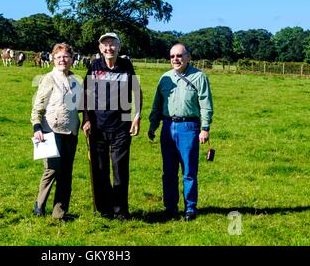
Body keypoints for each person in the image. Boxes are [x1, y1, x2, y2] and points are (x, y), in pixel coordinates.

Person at [148, 43, 214, 222]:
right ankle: (170, 207)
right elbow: (157, 104)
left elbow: (206, 104)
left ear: (188, 57)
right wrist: (153, 124)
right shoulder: (164, 78)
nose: (175, 59)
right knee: (168, 171)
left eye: (179, 55)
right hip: (168, 126)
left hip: (189, 127)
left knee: (189, 171)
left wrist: (205, 128)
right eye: (172, 56)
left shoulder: (199, 77)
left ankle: (190, 208)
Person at [82, 32, 142, 221]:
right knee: (99, 171)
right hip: (98, 126)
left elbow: (137, 92)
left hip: (121, 126)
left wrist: (137, 116)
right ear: (100, 49)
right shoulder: (94, 66)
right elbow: (86, 95)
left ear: (119, 47)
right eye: (105, 45)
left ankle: (121, 211)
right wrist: (86, 119)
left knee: (120, 171)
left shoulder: (126, 66)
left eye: (112, 44)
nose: (109, 48)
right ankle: (104, 208)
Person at [31, 43, 81, 221]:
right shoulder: (48, 78)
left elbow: (81, 106)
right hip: (50, 130)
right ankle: (39, 205)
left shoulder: (77, 80)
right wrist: (36, 126)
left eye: (66, 56)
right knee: (52, 170)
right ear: (53, 59)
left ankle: (59, 212)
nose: (63, 60)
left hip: (71, 131)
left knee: (66, 173)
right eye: (59, 57)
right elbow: (38, 104)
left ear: (72, 59)